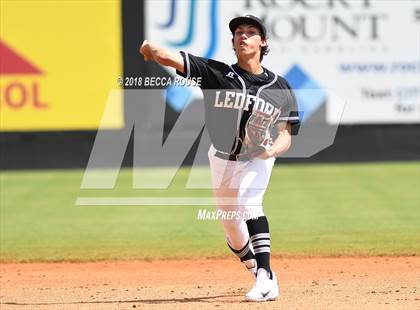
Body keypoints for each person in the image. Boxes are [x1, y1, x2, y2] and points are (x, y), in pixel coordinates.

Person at [139, 14, 299, 302]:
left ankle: (265, 276)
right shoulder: (216, 74)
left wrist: (272, 150)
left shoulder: (280, 86)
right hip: (222, 158)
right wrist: (150, 46)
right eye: (238, 32)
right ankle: (254, 267)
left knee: (251, 203)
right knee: (230, 224)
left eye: (251, 32)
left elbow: (287, 134)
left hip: (258, 157)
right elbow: (169, 57)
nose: (243, 36)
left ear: (263, 42)